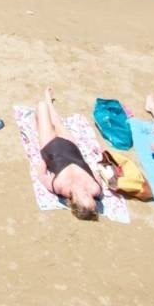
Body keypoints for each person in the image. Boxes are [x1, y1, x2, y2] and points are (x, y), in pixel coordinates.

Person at [32, 86, 102, 220]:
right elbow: (97, 171)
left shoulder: (59, 187)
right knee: (57, 122)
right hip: (71, 149)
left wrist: (41, 158)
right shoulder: (95, 189)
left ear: (74, 201)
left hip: (50, 148)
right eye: (92, 198)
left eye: (85, 197)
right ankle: (48, 99)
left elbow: (41, 175)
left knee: (41, 107)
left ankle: (38, 122)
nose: (89, 194)